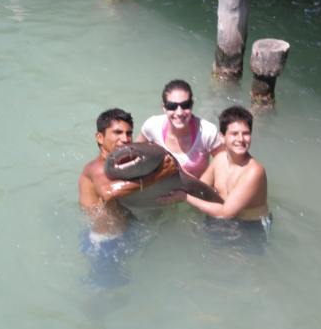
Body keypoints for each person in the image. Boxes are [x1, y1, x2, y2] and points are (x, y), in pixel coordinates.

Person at [78, 108, 178, 287]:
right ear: (99, 138)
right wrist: (159, 176)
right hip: (105, 242)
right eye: (117, 132)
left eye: (129, 133)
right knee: (108, 293)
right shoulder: (96, 166)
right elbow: (109, 192)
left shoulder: (121, 165)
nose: (125, 139)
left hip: (127, 232)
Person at [157, 105, 272, 253]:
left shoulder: (254, 171)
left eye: (246, 133)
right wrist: (175, 171)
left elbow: (226, 212)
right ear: (222, 137)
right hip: (222, 219)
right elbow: (200, 187)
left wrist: (184, 197)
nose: (241, 139)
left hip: (251, 226)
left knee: (246, 269)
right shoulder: (219, 159)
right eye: (234, 134)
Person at [135, 80, 224, 178]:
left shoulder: (207, 132)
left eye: (185, 105)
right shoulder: (152, 126)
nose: (179, 112)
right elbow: (134, 155)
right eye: (172, 106)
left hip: (197, 189)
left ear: (192, 105)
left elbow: (225, 165)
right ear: (164, 107)